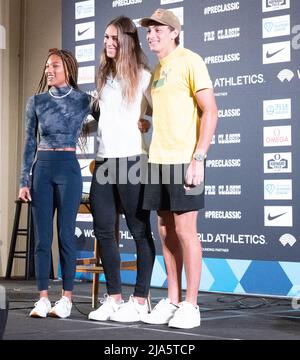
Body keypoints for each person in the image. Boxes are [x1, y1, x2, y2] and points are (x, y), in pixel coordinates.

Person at [139, 9, 218, 329]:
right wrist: (145, 120)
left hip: (186, 159)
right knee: (165, 231)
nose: (151, 35)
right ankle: (172, 299)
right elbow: (162, 111)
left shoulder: (190, 60)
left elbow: (210, 111)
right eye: (149, 31)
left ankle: (191, 304)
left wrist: (198, 158)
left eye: (158, 30)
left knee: (186, 231)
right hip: (158, 160)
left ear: (174, 32)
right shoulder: (158, 69)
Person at [87, 16, 155, 323]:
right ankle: (114, 298)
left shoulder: (143, 77)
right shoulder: (103, 77)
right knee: (103, 231)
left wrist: (148, 121)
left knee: (139, 232)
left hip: (131, 162)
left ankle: (140, 299)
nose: (108, 43)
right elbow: (99, 121)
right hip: (103, 162)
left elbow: (158, 112)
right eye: (105, 38)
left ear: (127, 40)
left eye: (114, 38)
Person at [19, 49, 95, 319]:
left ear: (68, 69)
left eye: (54, 66)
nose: (48, 70)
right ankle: (42, 299)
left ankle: (65, 299)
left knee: (65, 235)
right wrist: (23, 180)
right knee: (42, 239)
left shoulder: (84, 100)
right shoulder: (36, 101)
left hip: (69, 170)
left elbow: (107, 123)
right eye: (46, 66)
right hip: (42, 170)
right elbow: (29, 142)